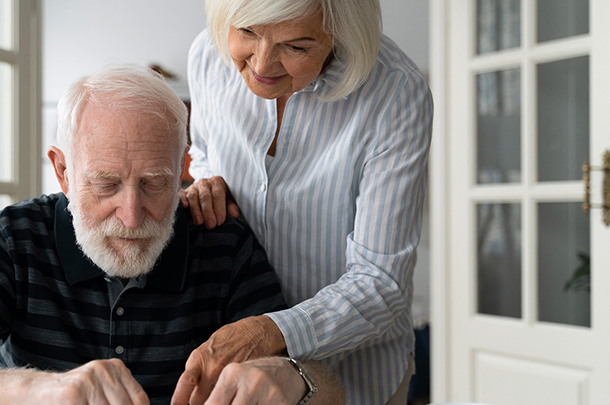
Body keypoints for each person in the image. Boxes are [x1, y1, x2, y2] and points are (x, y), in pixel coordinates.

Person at [0, 64, 344, 405]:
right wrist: (44, 389)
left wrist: (294, 379)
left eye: (154, 183)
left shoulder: (223, 245)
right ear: (62, 171)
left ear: (184, 165)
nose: (130, 215)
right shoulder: (12, 239)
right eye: (105, 184)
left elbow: (331, 389)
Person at [172, 0, 433, 404]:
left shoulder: (395, 93)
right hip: (238, 371)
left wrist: (270, 332)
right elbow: (205, 150)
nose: (262, 63)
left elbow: (382, 281)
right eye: (247, 32)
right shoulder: (207, 55)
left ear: (339, 32)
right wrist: (206, 183)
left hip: (356, 375)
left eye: (295, 47)